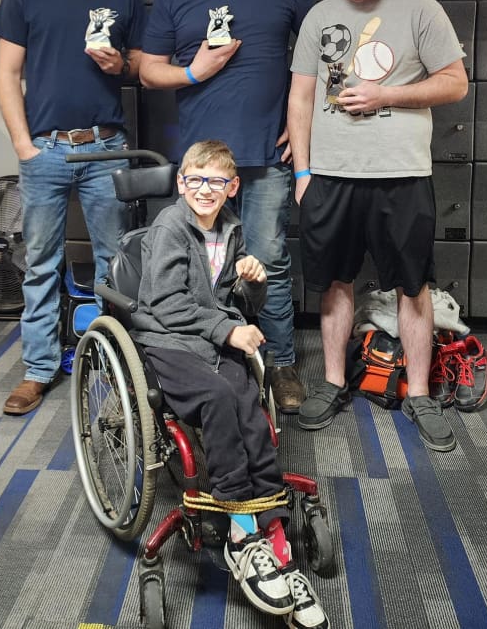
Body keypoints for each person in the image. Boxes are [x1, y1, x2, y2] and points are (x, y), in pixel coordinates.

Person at [287, 0, 468, 451]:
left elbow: (454, 83)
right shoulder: (320, 16)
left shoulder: (422, 9)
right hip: (332, 177)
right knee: (335, 282)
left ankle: (417, 393)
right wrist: (302, 171)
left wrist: (386, 94)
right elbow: (299, 96)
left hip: (401, 174)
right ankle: (335, 382)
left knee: (412, 285)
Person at [131, 140, 329, 629]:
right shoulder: (170, 228)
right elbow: (167, 303)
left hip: (213, 341)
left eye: (217, 181)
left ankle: (272, 530)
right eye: (196, 180)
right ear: (181, 183)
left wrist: (253, 281)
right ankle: (243, 532)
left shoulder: (232, 229)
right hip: (170, 343)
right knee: (220, 398)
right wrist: (228, 331)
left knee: (251, 403)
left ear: (232, 187)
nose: (205, 189)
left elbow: (241, 305)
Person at [140, 0, 315, 415]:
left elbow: (323, 55)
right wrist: (195, 70)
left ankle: (281, 365)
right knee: (202, 266)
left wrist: (306, 124)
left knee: (268, 263)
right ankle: (216, 354)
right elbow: (148, 70)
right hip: (204, 166)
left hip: (265, 155)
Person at [0, 0, 145, 416]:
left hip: (105, 148)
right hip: (47, 152)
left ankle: (113, 360)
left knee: (114, 262)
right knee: (41, 265)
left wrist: (117, 66)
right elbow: (8, 74)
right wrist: (21, 144)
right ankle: (37, 370)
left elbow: (139, 67)